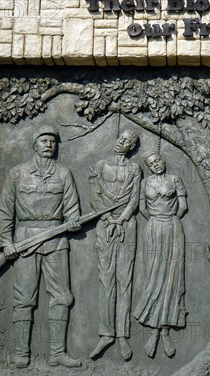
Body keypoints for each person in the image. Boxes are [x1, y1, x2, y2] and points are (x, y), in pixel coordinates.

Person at [0, 125, 82, 368]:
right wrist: (6, 242)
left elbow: (72, 209)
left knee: (62, 297)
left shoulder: (64, 174)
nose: (48, 144)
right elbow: (5, 211)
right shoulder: (17, 174)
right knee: (24, 298)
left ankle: (57, 353)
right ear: (34, 144)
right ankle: (21, 353)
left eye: (52, 141)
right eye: (43, 140)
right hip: (25, 241)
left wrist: (73, 221)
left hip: (55, 240)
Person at [88, 130, 142, 361]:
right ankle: (105, 333)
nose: (121, 141)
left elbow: (135, 198)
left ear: (131, 147)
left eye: (127, 140)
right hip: (104, 224)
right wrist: (110, 219)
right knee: (106, 280)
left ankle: (122, 336)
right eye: (120, 137)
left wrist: (121, 220)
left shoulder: (134, 169)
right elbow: (94, 196)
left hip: (127, 225)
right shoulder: (100, 166)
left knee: (124, 280)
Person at [133, 152, 188, 358]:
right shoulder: (144, 183)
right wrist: (157, 220)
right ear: (148, 166)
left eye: (158, 161)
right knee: (154, 276)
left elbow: (183, 206)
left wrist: (169, 219)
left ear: (164, 161)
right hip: (153, 228)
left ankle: (165, 331)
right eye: (151, 163)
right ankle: (153, 331)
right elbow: (142, 208)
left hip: (173, 228)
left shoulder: (174, 179)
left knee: (172, 279)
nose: (155, 164)